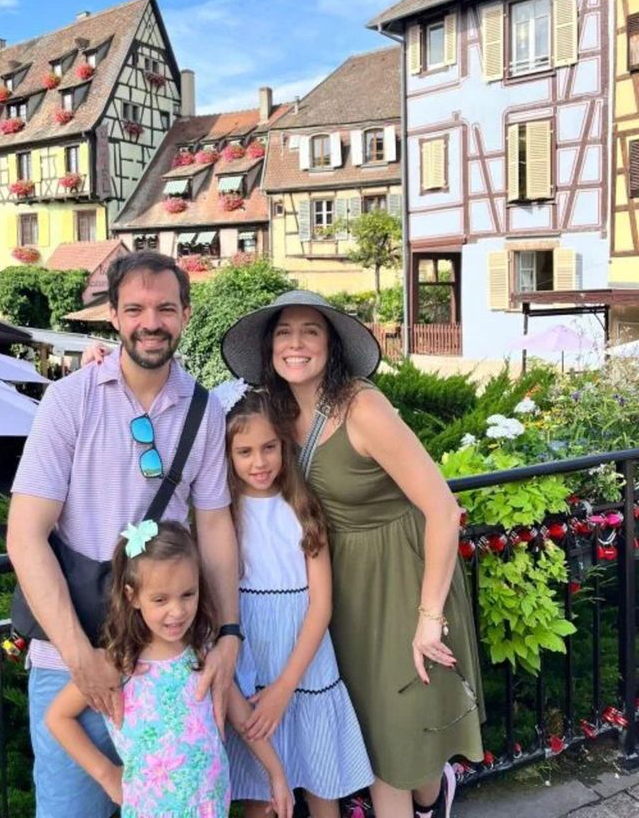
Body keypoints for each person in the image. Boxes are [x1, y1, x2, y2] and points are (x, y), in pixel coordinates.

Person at [220, 290, 484, 818]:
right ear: (270, 346)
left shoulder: (363, 406)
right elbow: (218, 430)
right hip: (337, 585)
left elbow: (442, 509)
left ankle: (433, 792)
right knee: (372, 729)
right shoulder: (274, 410)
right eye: (283, 332)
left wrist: (429, 617)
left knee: (396, 735)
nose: (295, 344)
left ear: (331, 345)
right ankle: (433, 792)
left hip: (402, 577)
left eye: (310, 331)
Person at [7, 251, 241, 818]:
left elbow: (213, 525)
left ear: (185, 314)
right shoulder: (70, 400)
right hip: (75, 664)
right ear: (113, 315)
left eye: (165, 308)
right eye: (134, 308)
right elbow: (25, 535)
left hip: (169, 663)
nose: (150, 322)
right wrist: (77, 655)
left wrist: (230, 632)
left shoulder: (204, 411)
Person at [46, 521, 293, 818]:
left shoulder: (203, 654)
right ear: (132, 596)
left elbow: (244, 722)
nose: (176, 611)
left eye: (187, 594)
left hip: (210, 808)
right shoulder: (117, 665)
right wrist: (107, 775)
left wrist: (277, 775)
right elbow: (58, 717)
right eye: (160, 599)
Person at [216, 385, 374, 818]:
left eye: (269, 447)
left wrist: (285, 686)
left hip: (304, 661)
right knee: (262, 796)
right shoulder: (221, 515)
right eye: (244, 451)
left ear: (284, 446)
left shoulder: (302, 507)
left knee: (323, 784)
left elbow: (321, 604)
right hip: (252, 659)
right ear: (228, 455)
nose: (259, 461)